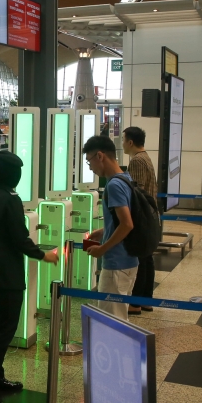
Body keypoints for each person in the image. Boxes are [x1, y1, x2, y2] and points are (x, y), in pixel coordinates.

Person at [0, 151, 59, 403]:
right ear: (15, 175)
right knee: (3, 332)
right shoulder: (11, 199)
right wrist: (43, 255)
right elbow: (19, 238)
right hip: (6, 275)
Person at [84, 136, 138, 321]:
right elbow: (121, 221)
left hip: (116, 263)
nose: (90, 167)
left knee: (111, 322)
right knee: (119, 317)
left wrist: (102, 249)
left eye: (89, 160)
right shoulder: (126, 178)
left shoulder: (113, 185)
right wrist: (104, 231)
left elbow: (127, 224)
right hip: (129, 259)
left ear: (100, 156)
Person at [122, 127, 157, 315]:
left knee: (140, 260)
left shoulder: (136, 161)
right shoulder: (147, 158)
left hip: (142, 217)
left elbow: (137, 192)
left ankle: (135, 303)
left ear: (130, 142)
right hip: (150, 215)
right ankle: (146, 300)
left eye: (123, 140)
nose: (122, 144)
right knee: (147, 259)